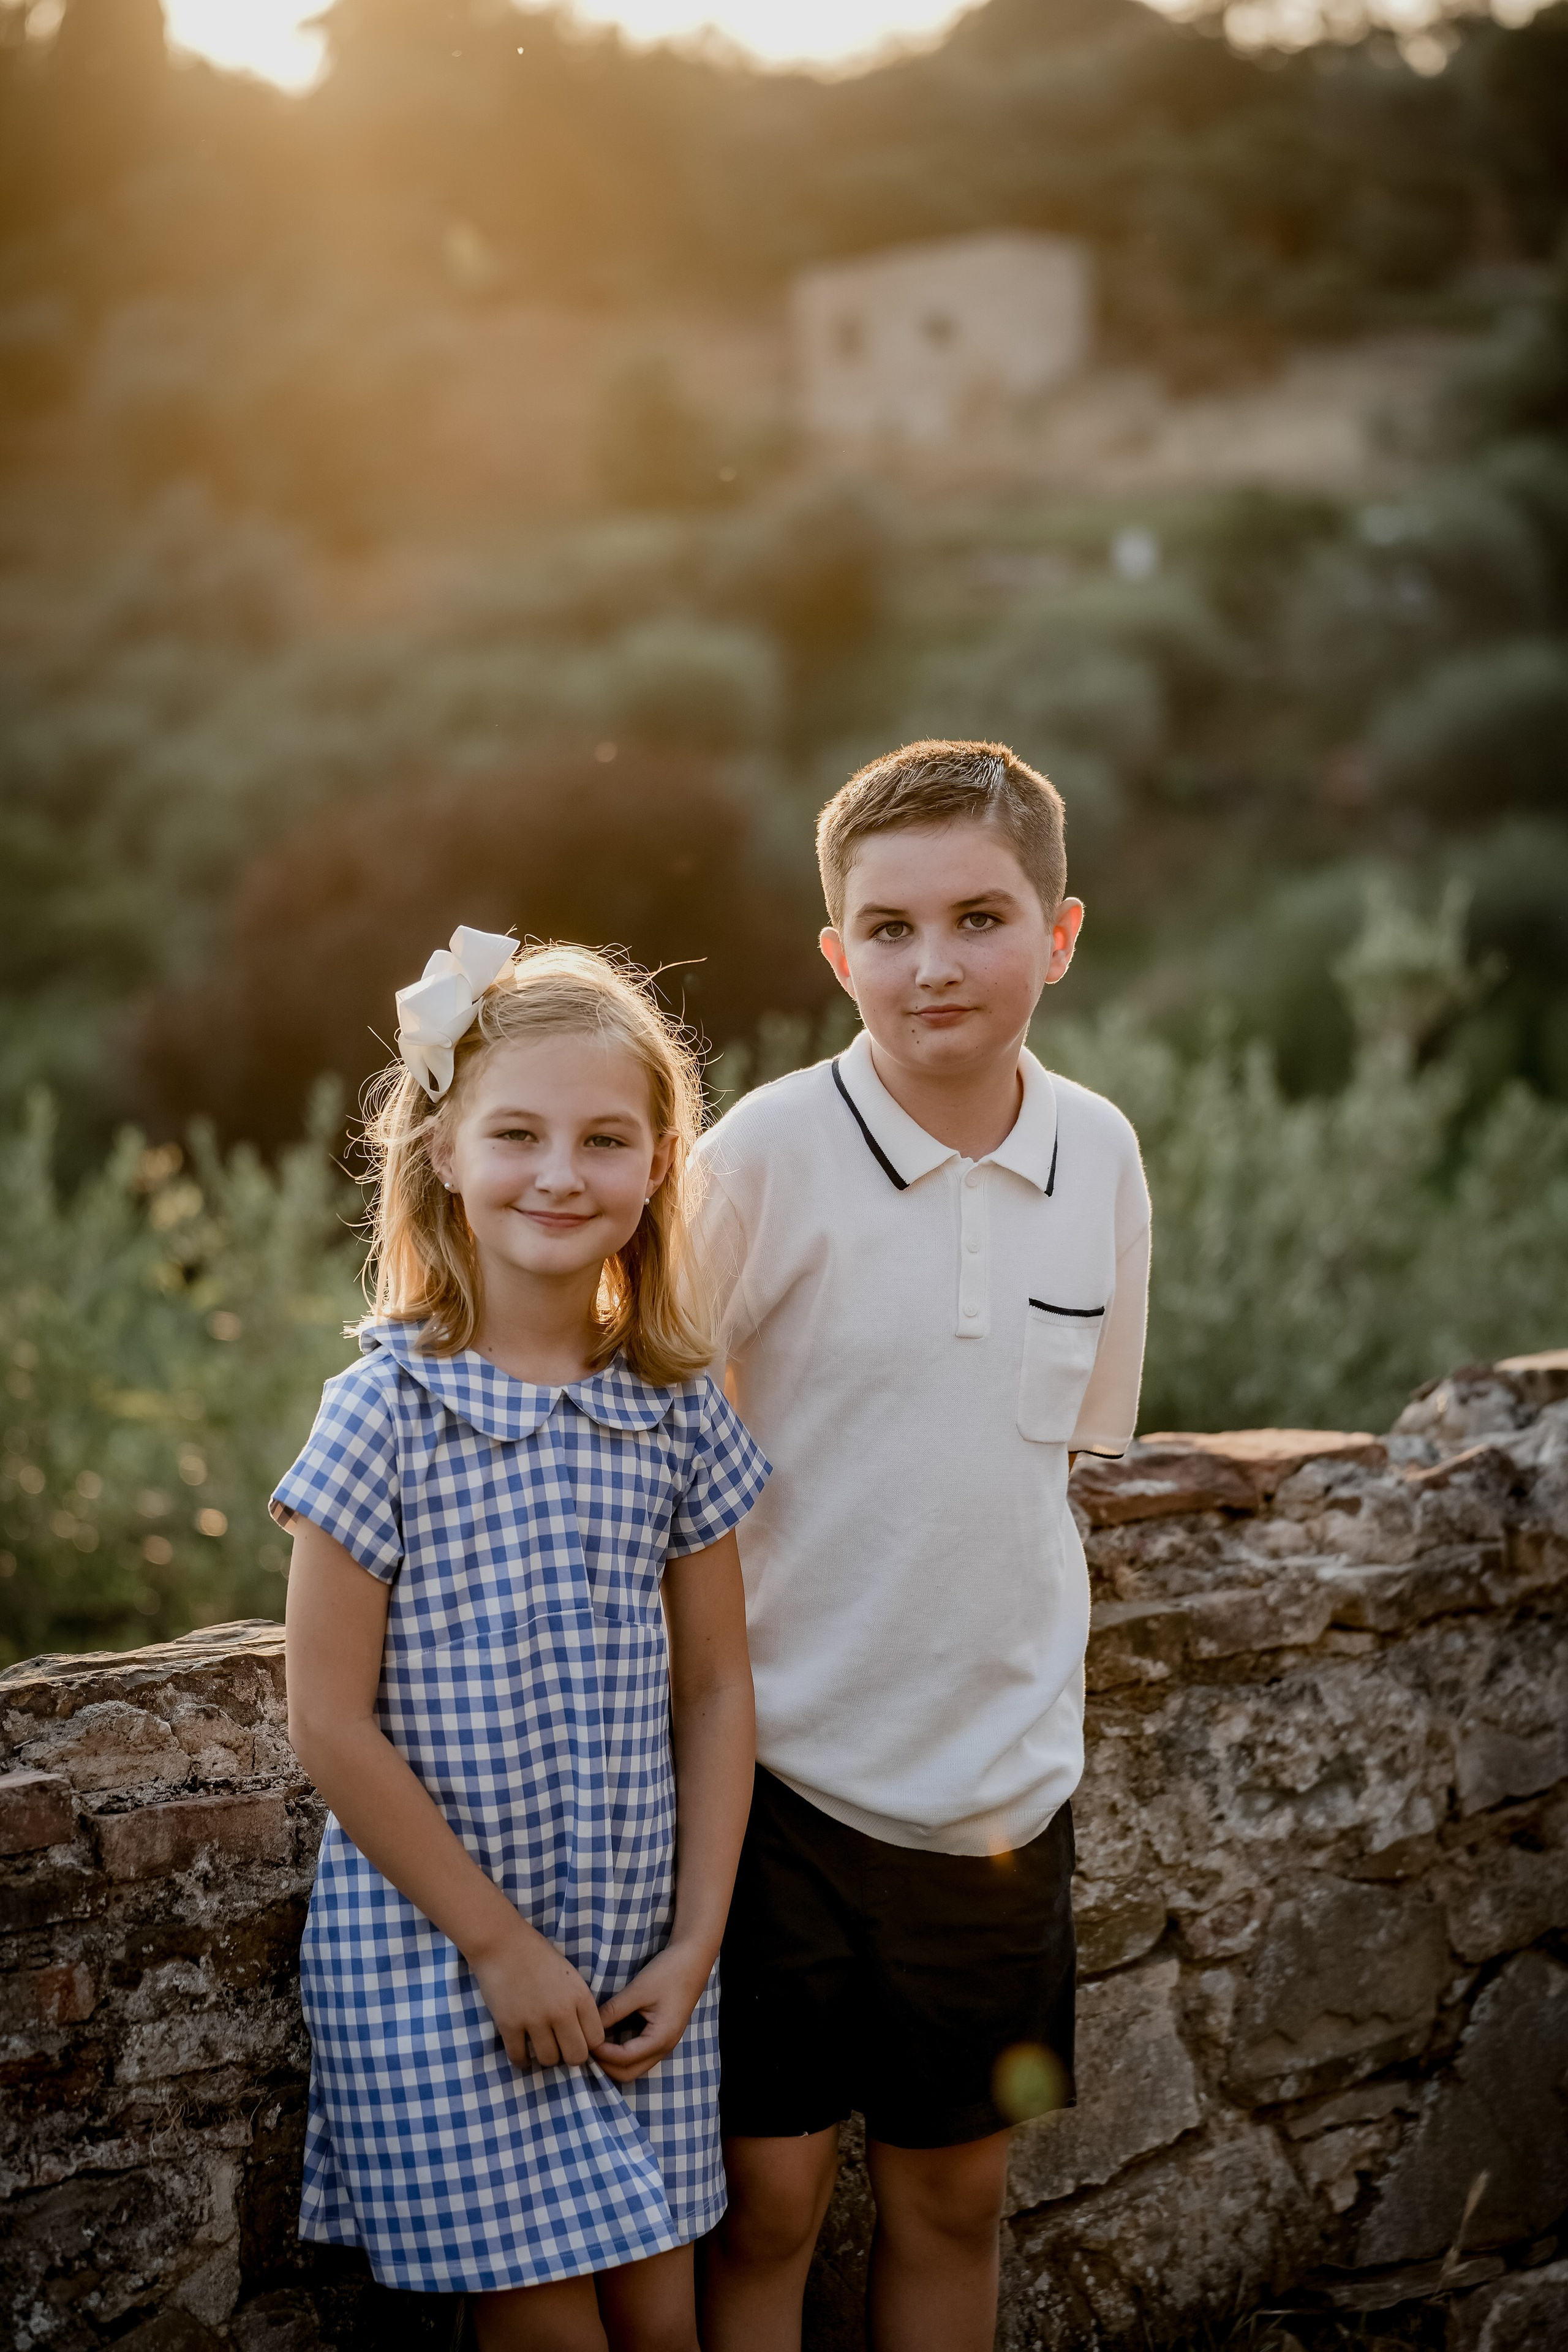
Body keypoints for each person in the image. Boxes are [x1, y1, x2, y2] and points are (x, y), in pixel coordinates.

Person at [695, 742, 1151, 2352]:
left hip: (998, 1799)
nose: (932, 964)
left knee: (955, 2204)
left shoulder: (1100, 1154)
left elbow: (1061, 1457)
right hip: (772, 1789)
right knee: (763, 2206)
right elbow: (649, 1442)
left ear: (1060, 934)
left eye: (979, 917)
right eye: (888, 929)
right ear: (837, 955)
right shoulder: (761, 1156)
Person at [276, 933, 769, 2352]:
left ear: (659, 1165)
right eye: (517, 1135)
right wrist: (498, 1947)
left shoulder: (672, 1406)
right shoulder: (384, 1413)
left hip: (636, 1954)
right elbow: (326, 1722)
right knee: (550, 2333)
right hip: (449, 1962)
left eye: (604, 1140)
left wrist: (696, 1941)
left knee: (660, 2322)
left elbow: (716, 1686)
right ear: (442, 1151)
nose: (560, 1172)